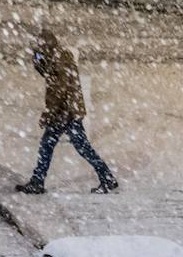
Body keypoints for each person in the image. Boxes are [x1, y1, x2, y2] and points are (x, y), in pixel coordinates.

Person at [16, 29, 118, 195]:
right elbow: (50, 77)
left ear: (47, 45)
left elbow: (59, 90)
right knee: (58, 147)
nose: (38, 49)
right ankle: (38, 181)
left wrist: (48, 114)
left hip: (66, 113)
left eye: (40, 46)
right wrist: (38, 62)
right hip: (64, 113)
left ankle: (106, 178)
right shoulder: (55, 59)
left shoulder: (61, 59)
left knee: (68, 147)